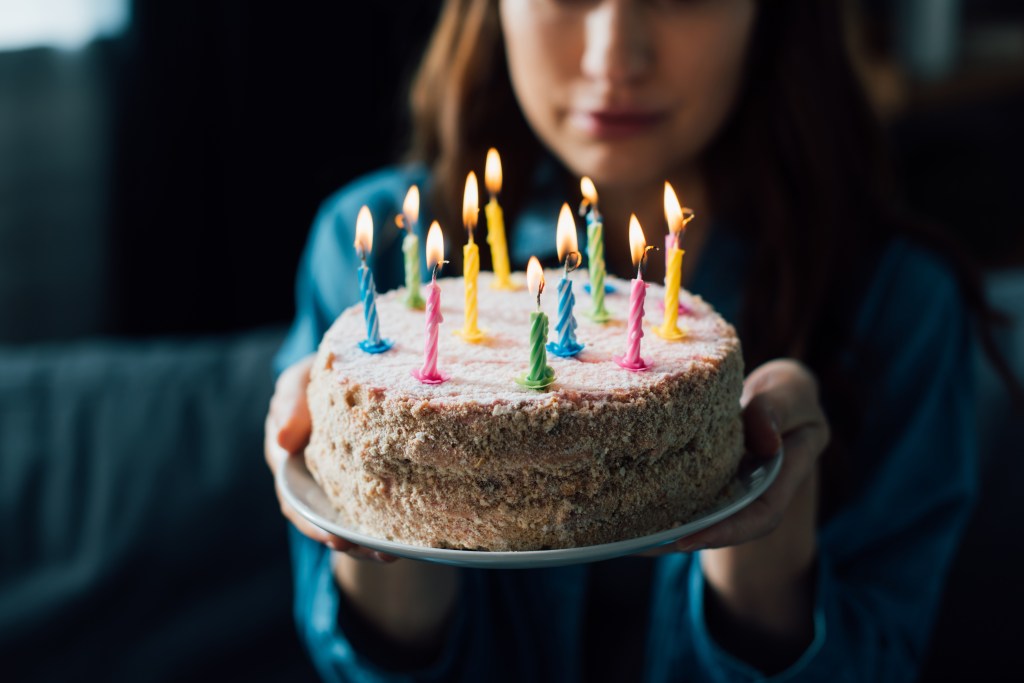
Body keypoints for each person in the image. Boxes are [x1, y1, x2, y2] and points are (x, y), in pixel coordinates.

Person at [265, 1, 997, 680]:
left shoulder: (896, 304)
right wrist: (380, 489)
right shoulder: (377, 254)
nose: (614, 55)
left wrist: (767, 557)